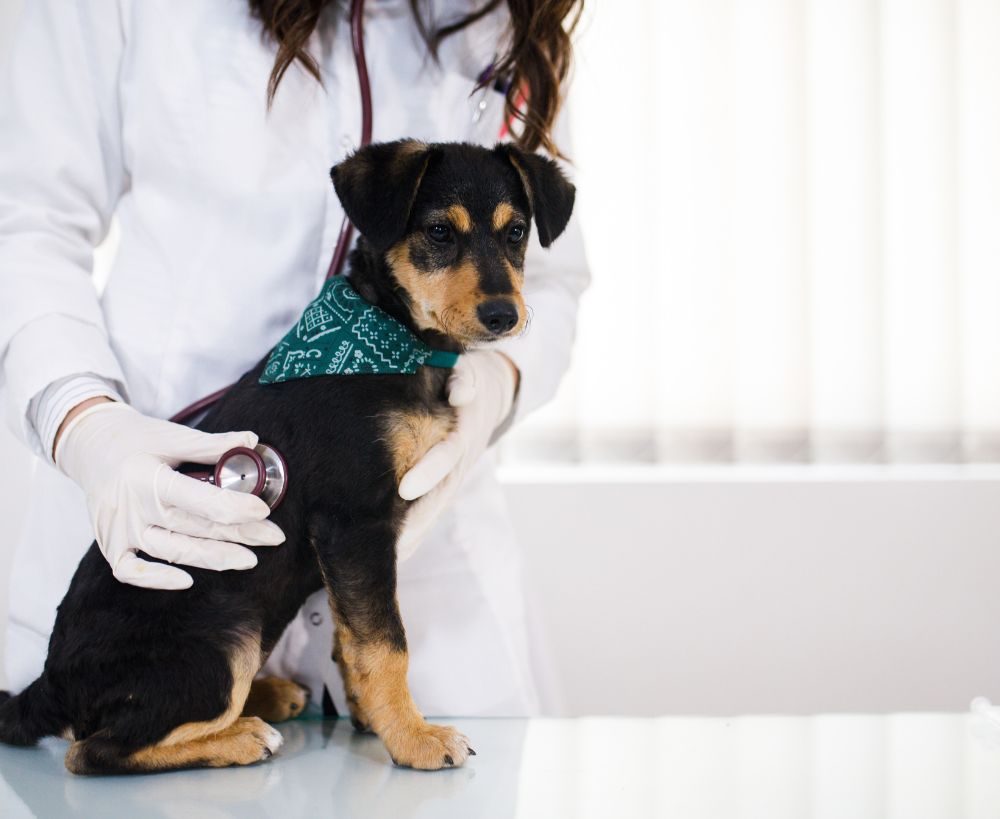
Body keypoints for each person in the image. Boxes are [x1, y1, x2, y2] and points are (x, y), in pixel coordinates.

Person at [0, 0, 588, 717]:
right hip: (150, 535)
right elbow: (24, 219)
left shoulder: (500, 17)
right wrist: (81, 420)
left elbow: (551, 277)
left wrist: (496, 384)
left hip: (423, 573)